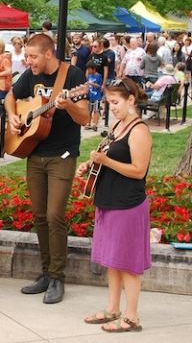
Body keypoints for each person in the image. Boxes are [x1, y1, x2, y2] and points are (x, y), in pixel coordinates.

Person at [5, 33, 89, 304]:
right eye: (27, 56)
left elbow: (85, 117)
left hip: (62, 154)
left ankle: (57, 277)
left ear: (48, 54)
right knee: (39, 214)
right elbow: (11, 96)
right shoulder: (30, 75)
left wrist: (68, 106)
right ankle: (45, 273)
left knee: (55, 215)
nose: (27, 61)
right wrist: (13, 116)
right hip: (35, 151)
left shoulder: (73, 76)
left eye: (32, 56)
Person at [76, 78, 151, 333]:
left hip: (127, 205)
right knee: (112, 260)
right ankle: (112, 308)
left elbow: (138, 171)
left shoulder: (138, 130)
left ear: (131, 100)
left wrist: (105, 161)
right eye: (109, 102)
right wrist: (91, 165)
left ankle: (131, 316)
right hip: (108, 201)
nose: (112, 107)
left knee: (128, 263)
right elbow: (108, 156)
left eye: (116, 102)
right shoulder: (119, 125)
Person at [85, 62, 104, 131]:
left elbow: (99, 86)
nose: (88, 71)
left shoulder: (98, 76)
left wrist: (91, 84)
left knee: (96, 110)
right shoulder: (89, 76)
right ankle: (88, 123)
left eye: (89, 69)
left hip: (97, 96)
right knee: (89, 110)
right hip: (90, 95)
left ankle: (95, 124)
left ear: (94, 69)